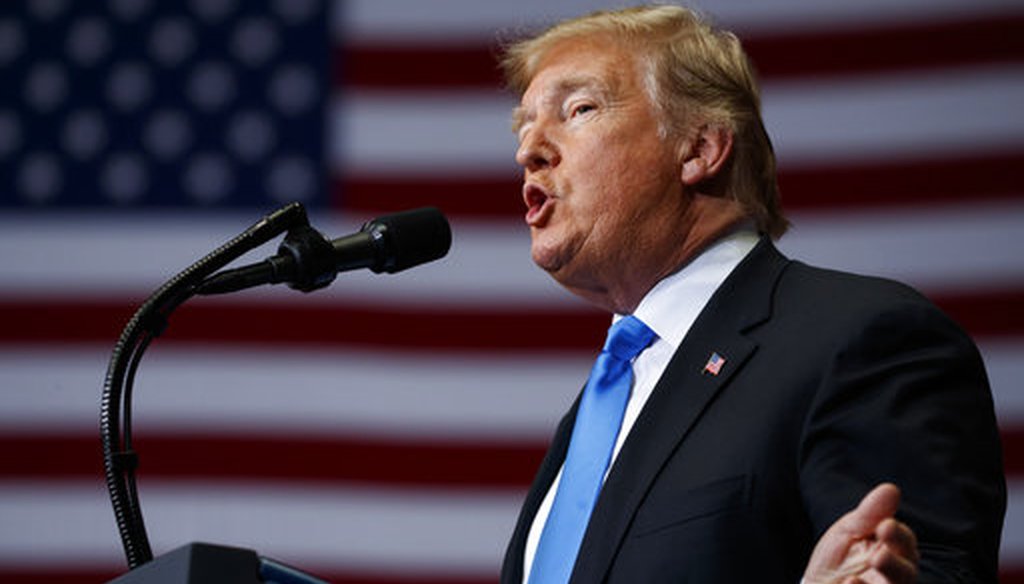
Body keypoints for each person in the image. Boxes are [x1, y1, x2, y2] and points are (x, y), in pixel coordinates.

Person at [497, 5, 1005, 583]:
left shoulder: (862, 341)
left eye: (578, 109)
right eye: (523, 126)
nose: (528, 150)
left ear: (700, 148)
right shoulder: (606, 400)